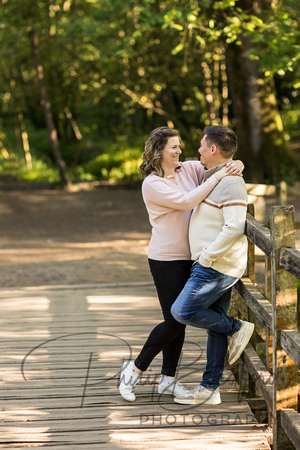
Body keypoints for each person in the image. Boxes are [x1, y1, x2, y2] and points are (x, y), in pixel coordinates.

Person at [118, 126, 244, 402]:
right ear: (159, 151)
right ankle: (134, 370)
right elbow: (188, 201)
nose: (180, 151)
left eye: (179, 146)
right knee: (175, 319)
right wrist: (223, 173)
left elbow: (218, 164)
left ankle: (168, 379)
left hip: (192, 257)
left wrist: (235, 164)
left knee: (178, 322)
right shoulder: (152, 184)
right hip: (165, 259)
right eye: (174, 147)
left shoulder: (189, 169)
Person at [171, 125, 254, 406]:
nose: (198, 150)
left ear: (213, 149)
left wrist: (206, 256)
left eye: (202, 146)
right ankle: (210, 389)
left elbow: (234, 227)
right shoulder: (216, 174)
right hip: (213, 262)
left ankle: (237, 327)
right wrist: (236, 162)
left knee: (181, 310)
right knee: (213, 325)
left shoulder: (231, 182)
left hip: (215, 265)